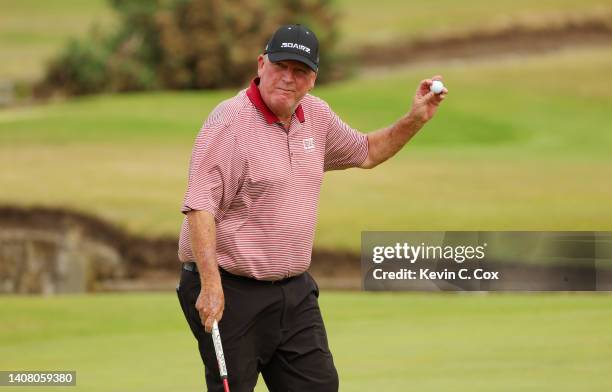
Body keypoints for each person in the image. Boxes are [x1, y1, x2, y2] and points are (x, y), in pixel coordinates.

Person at [176, 24, 447, 392]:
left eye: (299, 71)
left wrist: (415, 118)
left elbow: (367, 151)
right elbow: (200, 206)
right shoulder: (229, 124)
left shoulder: (316, 117)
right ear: (261, 64)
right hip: (229, 290)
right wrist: (210, 287)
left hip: (293, 293)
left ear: (312, 79)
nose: (288, 78)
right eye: (280, 66)